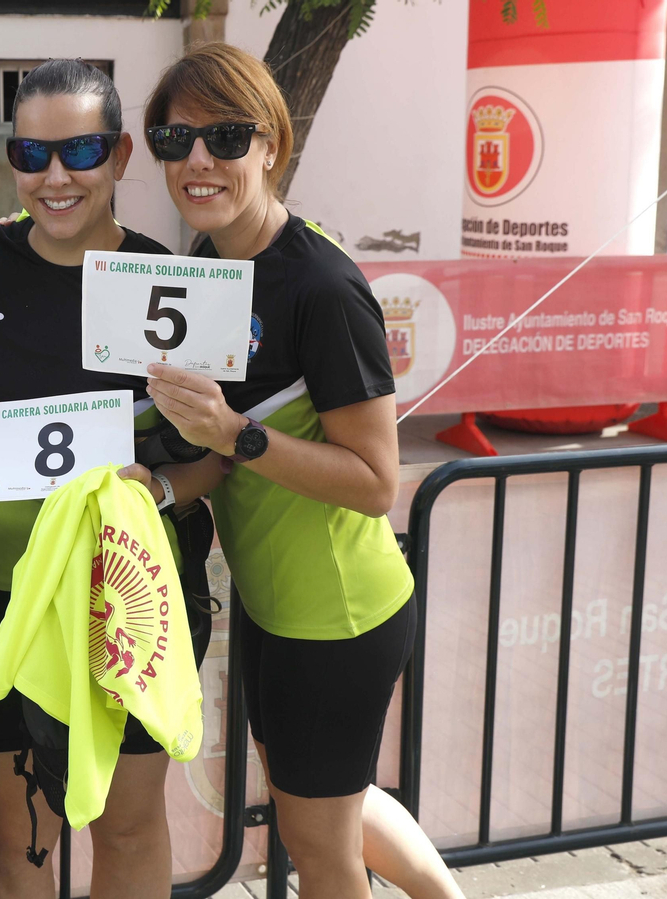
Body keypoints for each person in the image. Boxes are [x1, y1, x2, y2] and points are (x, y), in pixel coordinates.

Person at [139, 44, 462, 899]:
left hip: (339, 616)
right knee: (320, 804)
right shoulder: (203, 269)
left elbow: (375, 480)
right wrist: (166, 487)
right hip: (273, 604)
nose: (199, 160)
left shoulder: (323, 285)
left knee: (317, 849)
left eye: (225, 136)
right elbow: (216, 452)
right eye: (176, 140)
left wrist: (239, 432)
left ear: (271, 145)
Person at [0, 59, 214, 899]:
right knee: (17, 837)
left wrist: (164, 491)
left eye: (81, 150)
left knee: (127, 829)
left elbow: (222, 451)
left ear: (122, 154)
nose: (54, 176)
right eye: (31, 153)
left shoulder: (170, 281)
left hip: (125, 606)